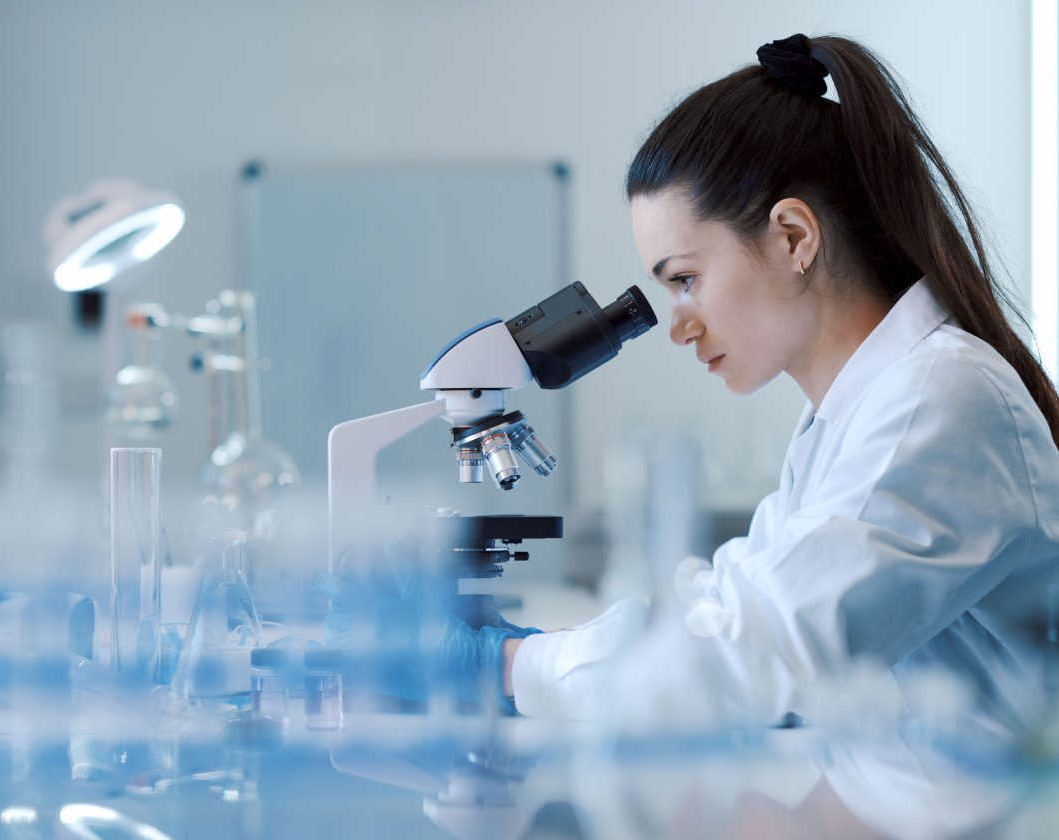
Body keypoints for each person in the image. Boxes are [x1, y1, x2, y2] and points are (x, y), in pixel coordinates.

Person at [326, 34, 1059, 734]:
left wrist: (507, 667)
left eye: (685, 280)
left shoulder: (939, 401)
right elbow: (720, 611)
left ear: (794, 238)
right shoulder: (845, 419)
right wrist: (536, 650)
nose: (678, 326)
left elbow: (755, 652)